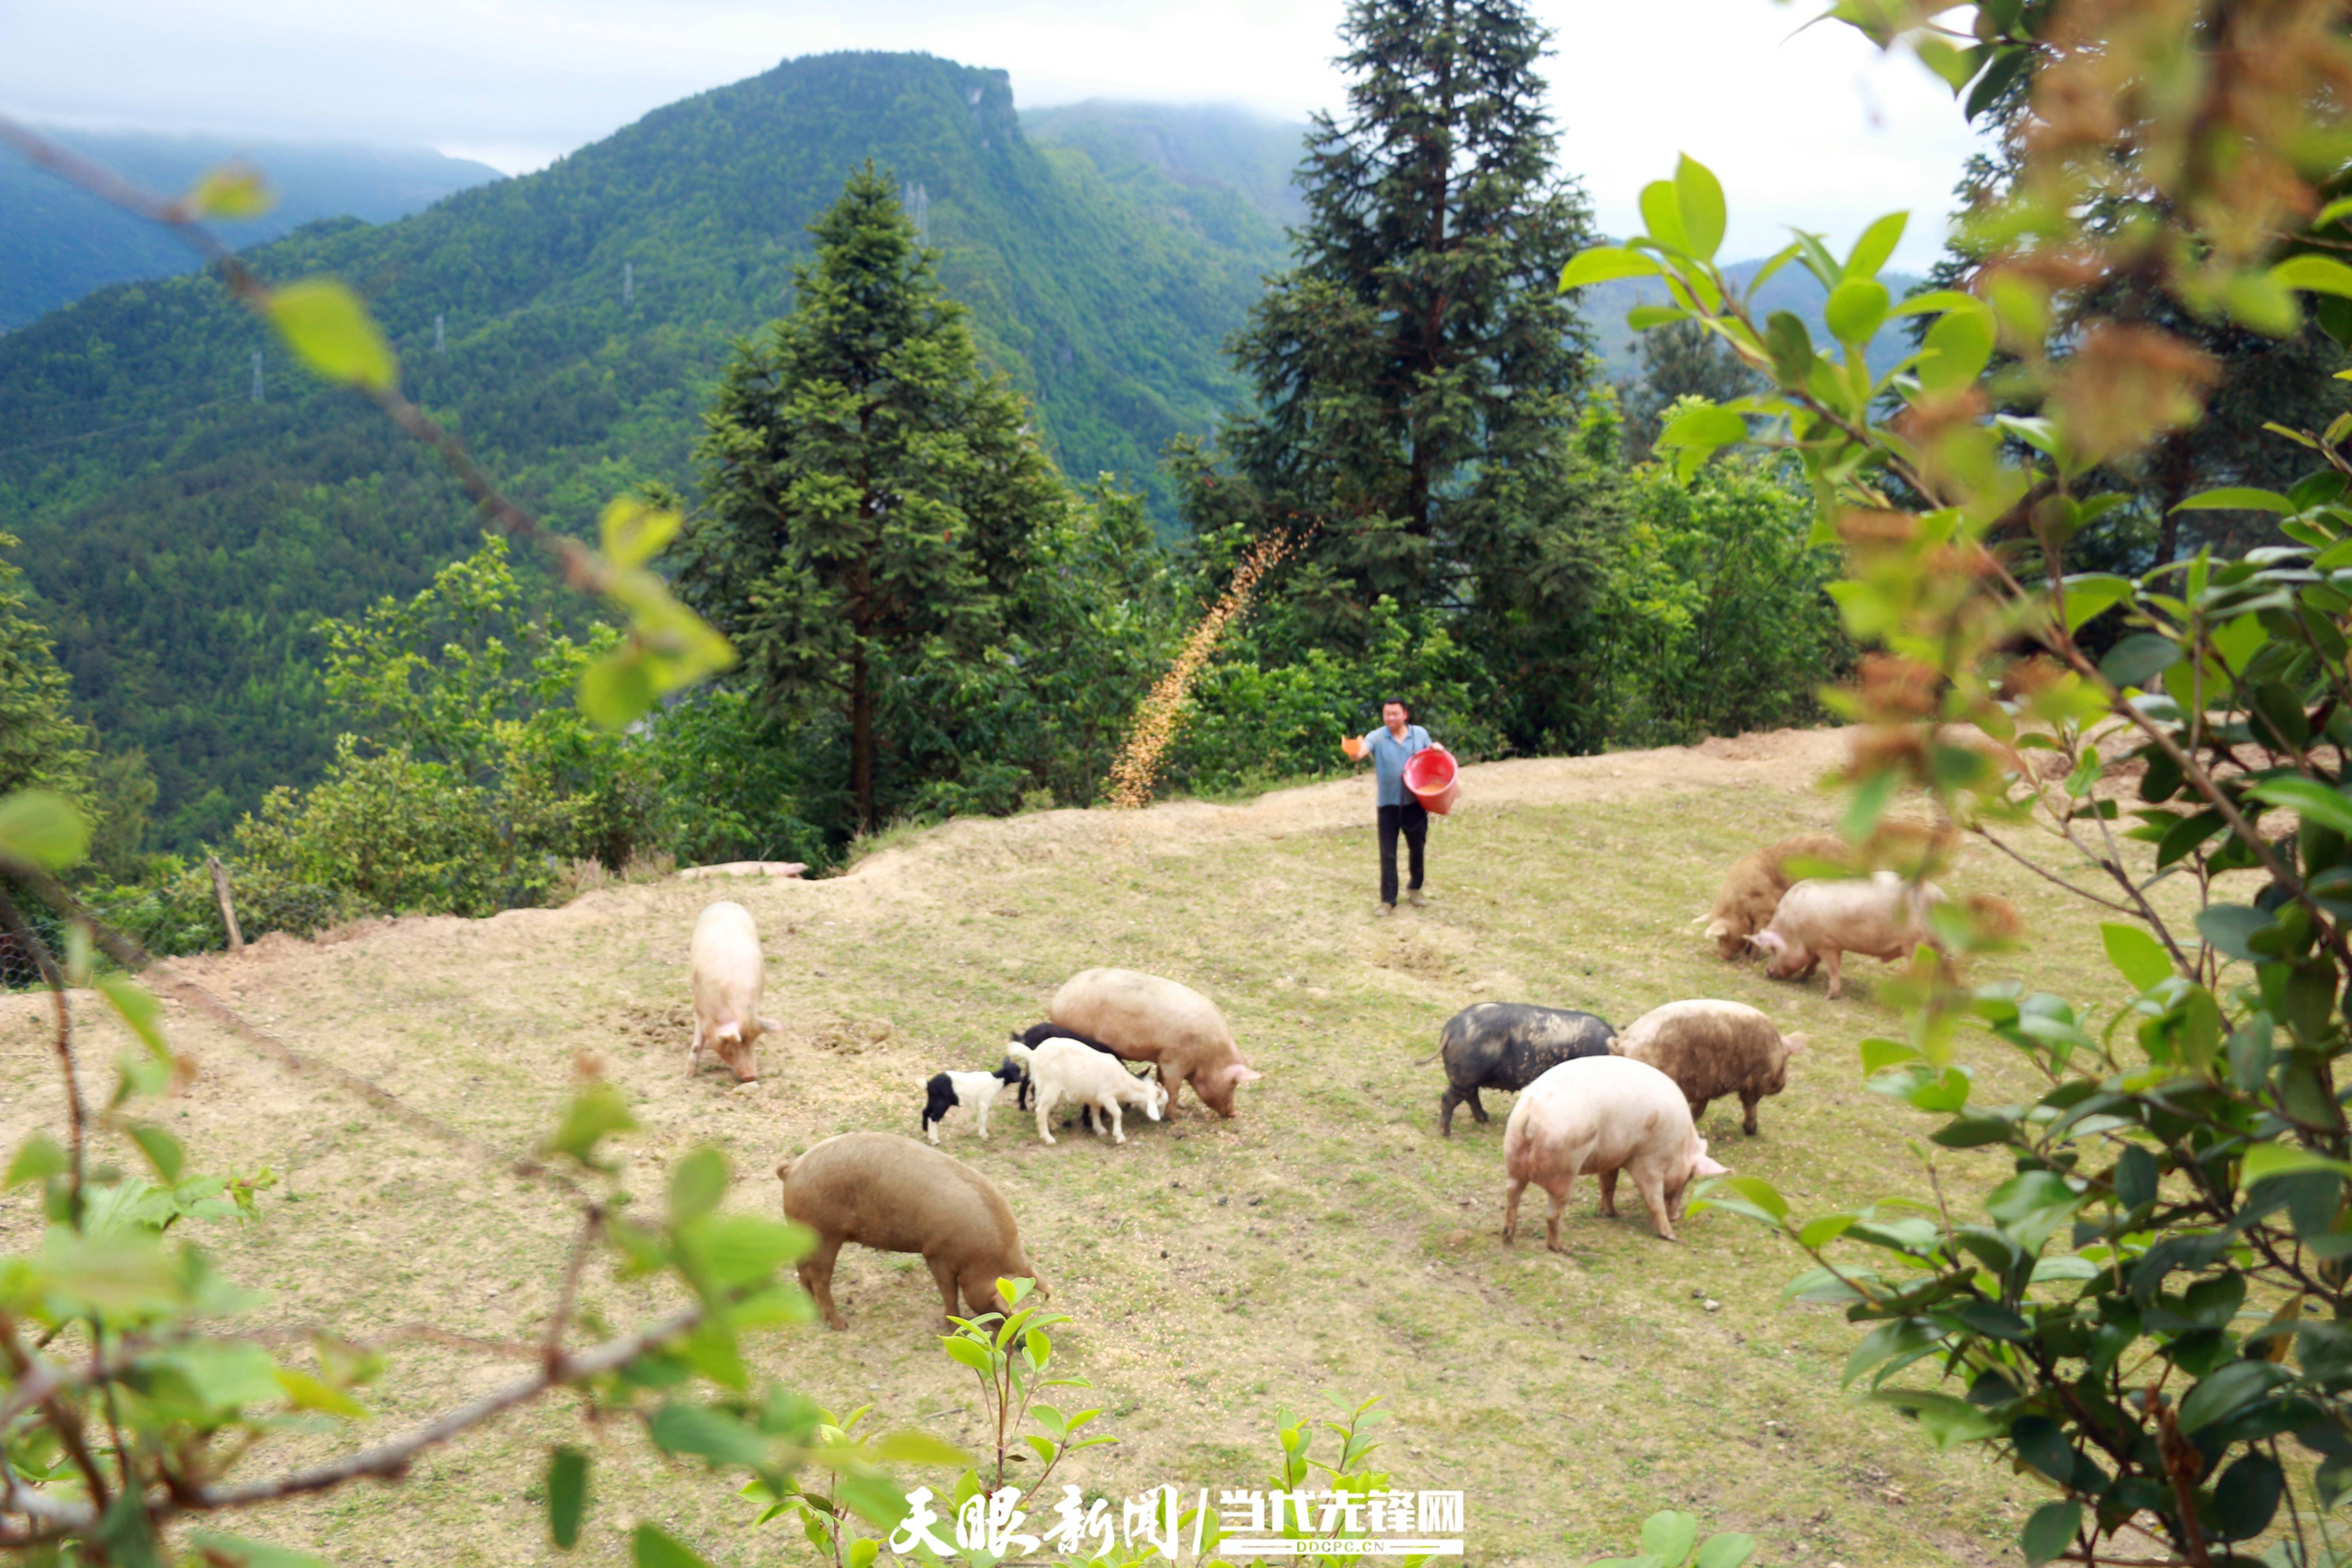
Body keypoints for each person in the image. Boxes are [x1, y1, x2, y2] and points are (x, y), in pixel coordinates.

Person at [1341, 698, 1433, 915]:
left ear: (1405, 715)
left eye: (1395, 714)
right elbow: (1360, 754)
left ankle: (1415, 888)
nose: (1390, 718)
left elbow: (1432, 758)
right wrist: (1353, 751)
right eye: (1386, 714)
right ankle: (1388, 900)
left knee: (1417, 846)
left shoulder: (1420, 734)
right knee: (1388, 853)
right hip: (1388, 805)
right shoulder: (1377, 736)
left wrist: (1438, 748)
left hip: (1416, 803)